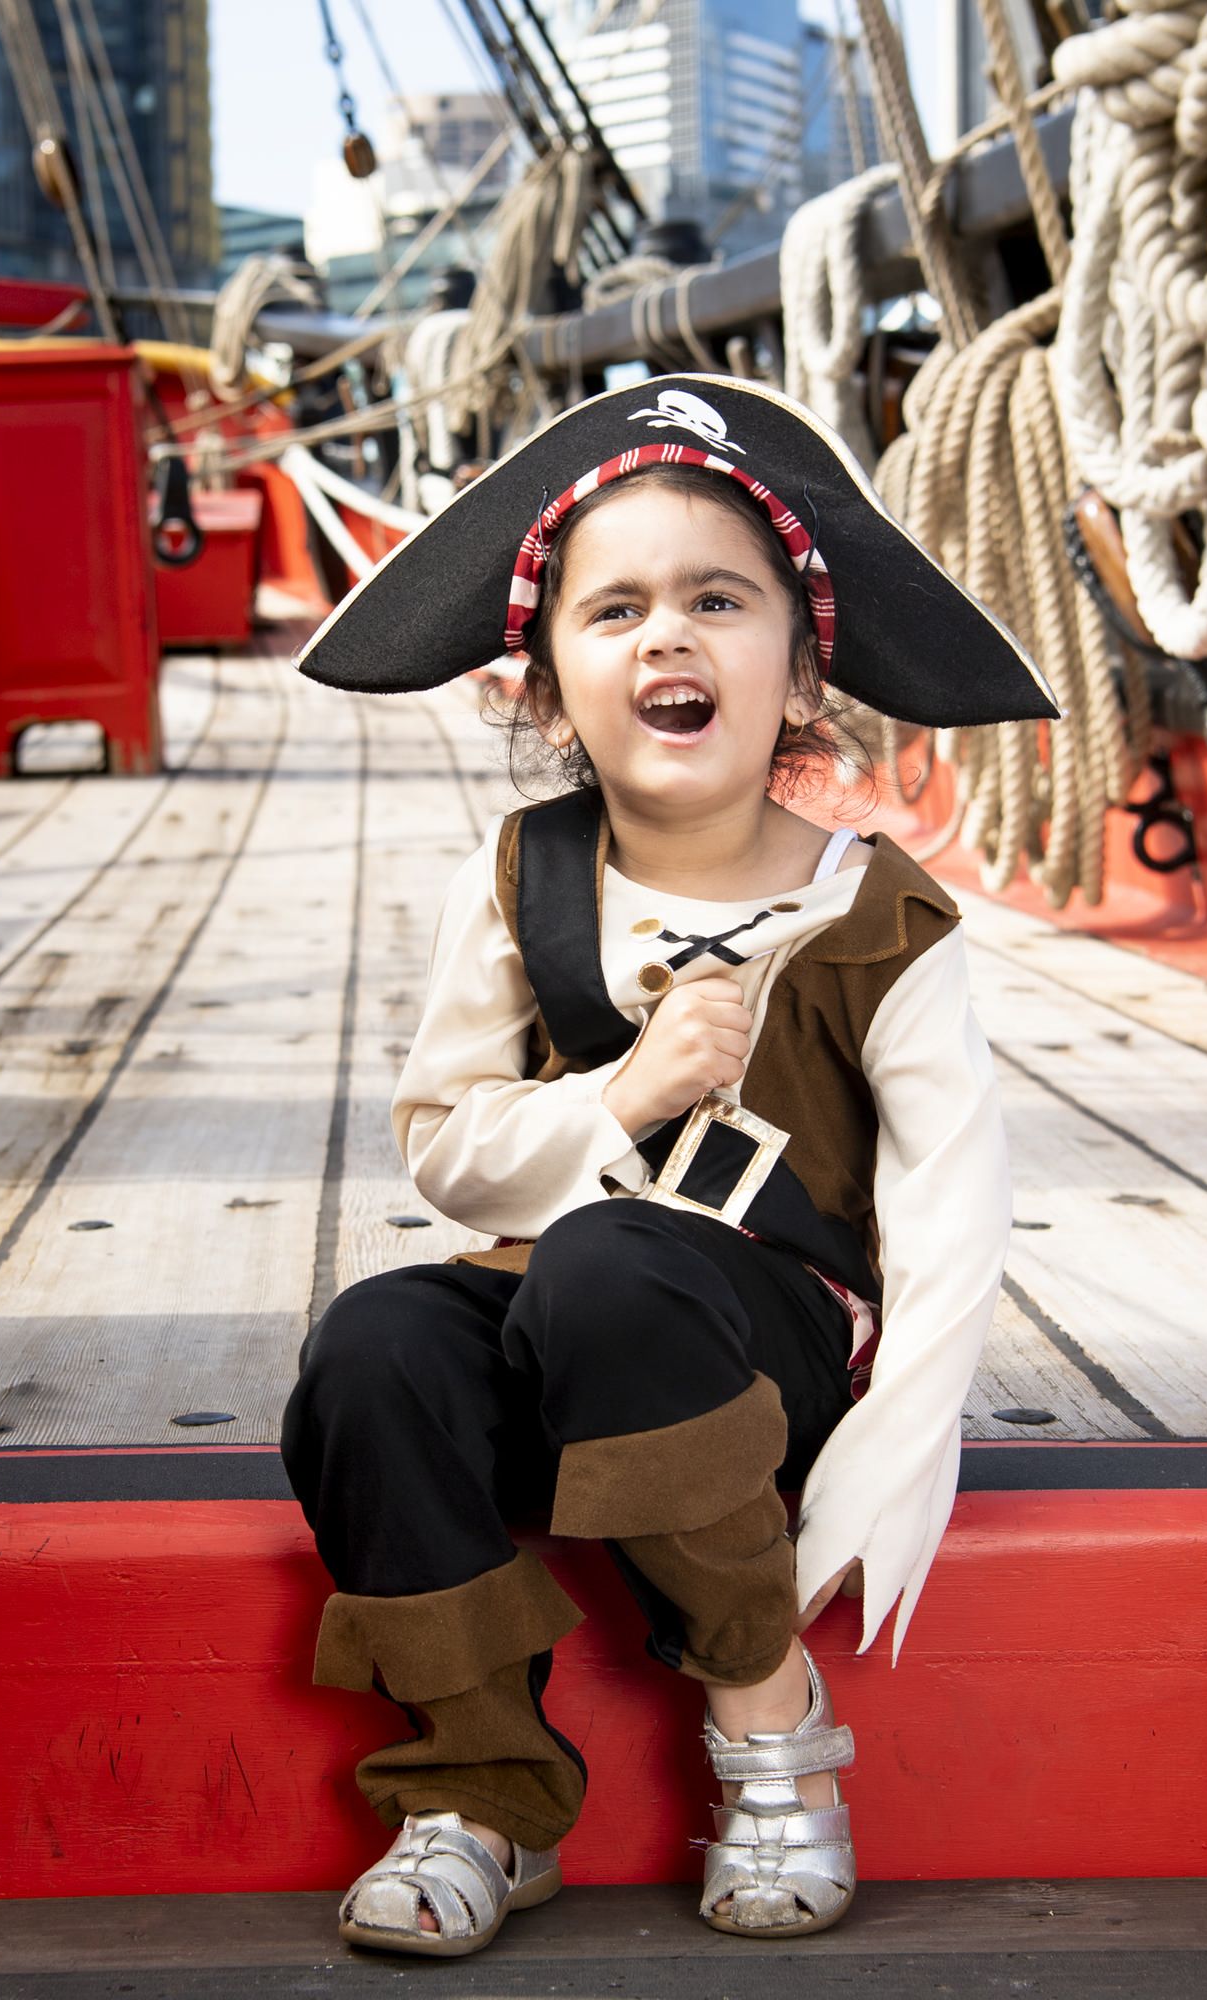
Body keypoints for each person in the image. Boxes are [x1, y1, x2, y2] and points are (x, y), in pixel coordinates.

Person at [282, 375, 1055, 1959]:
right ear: (551, 683)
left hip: (752, 1366)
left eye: (720, 600)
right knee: (374, 1342)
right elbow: (454, 1157)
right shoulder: (519, 878)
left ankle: (769, 1721)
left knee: (612, 1274)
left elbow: (949, 1219)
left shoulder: (872, 912)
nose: (669, 640)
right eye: (614, 609)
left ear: (800, 660)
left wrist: (879, 1487)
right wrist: (627, 1095)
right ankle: (477, 1792)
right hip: (557, 1316)